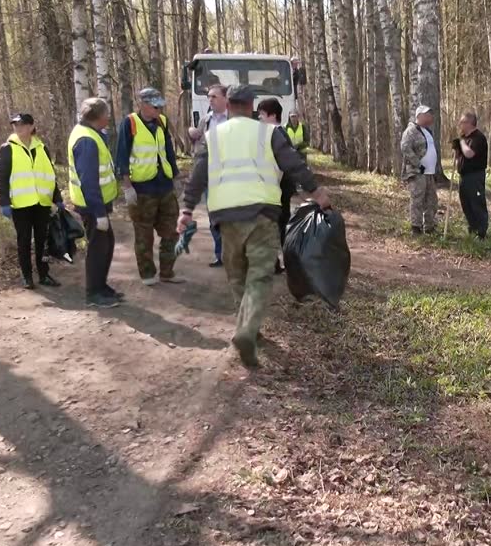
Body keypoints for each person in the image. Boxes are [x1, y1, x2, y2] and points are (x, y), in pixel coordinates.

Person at [178, 85, 332, 369]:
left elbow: (197, 175)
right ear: (250, 105)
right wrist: (317, 193)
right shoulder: (268, 132)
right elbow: (294, 165)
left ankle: (248, 329)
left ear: (228, 104)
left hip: (225, 216)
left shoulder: (212, 136)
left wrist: (186, 209)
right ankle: (247, 330)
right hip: (262, 214)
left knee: (237, 275)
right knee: (259, 275)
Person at [115, 87, 183, 286]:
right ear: (143, 104)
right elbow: (122, 155)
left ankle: (167, 272)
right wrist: (127, 186)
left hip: (164, 186)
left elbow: (168, 151)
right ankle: (147, 274)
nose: (159, 111)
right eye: (155, 107)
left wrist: (176, 177)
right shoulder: (129, 123)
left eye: (160, 107)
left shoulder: (161, 122)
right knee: (144, 234)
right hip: (142, 188)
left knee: (171, 231)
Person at [0, 113, 64, 289]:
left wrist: (58, 198)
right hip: (20, 204)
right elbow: (2, 178)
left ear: (32, 126)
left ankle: (44, 274)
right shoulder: (7, 148)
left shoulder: (42, 148)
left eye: (22, 125)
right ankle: (26, 276)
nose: (18, 128)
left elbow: (50, 175)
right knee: (24, 241)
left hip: (42, 202)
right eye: (15, 125)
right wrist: (4, 202)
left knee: (42, 240)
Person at [68, 97, 123, 309]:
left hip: (96, 204)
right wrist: (99, 213)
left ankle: (101, 286)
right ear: (98, 117)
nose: (108, 117)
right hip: (91, 206)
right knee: (98, 248)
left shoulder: (91, 133)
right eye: (106, 114)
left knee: (106, 244)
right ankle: (93, 293)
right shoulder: (86, 140)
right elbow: (88, 180)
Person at [189, 83, 229, 268]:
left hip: (231, 176)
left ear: (225, 99)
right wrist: (195, 136)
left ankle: (233, 254)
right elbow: (200, 148)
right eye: (209, 97)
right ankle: (219, 255)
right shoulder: (205, 120)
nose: (210, 100)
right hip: (210, 176)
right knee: (214, 217)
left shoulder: (234, 119)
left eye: (214, 96)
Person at [257, 98, 295, 275]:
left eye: (262, 115)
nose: (260, 119)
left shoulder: (277, 135)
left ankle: (280, 262)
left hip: (279, 189)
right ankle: (276, 262)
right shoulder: (275, 134)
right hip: (278, 189)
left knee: (277, 227)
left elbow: (280, 166)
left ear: (273, 115)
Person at [400, 105, 441, 235]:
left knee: (432, 200)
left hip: (429, 173)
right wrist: (418, 164)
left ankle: (429, 226)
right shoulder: (411, 131)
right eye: (427, 114)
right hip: (417, 172)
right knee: (417, 199)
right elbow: (405, 148)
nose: (430, 117)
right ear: (419, 116)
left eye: (430, 114)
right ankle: (416, 228)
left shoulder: (428, 131)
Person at [452, 111, 489, 240]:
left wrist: (461, 143)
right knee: (466, 203)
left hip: (475, 176)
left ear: (469, 123)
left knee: (476, 203)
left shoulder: (478, 138)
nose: (460, 124)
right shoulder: (465, 138)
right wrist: (457, 150)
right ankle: (472, 227)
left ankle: (481, 232)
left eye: (462, 122)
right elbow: (460, 157)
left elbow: (469, 154)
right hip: (464, 176)